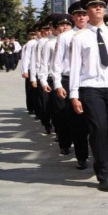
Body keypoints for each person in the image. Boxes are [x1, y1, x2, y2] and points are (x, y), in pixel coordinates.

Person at [69, 0, 108, 192]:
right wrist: (74, 94)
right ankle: (104, 174)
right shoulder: (79, 37)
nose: (98, 9)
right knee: (99, 128)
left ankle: (98, 149)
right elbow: (75, 67)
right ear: (87, 11)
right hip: (90, 88)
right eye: (94, 6)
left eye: (101, 6)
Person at [52, 1, 90, 170]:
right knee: (76, 121)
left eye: (84, 14)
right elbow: (57, 63)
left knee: (95, 119)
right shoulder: (65, 37)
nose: (81, 17)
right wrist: (58, 84)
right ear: (73, 17)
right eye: (78, 15)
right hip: (69, 81)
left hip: (90, 82)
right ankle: (81, 156)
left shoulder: (95, 35)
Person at [42, 14, 74, 154]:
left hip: (78, 79)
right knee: (61, 112)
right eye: (61, 25)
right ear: (56, 28)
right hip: (59, 79)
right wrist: (42, 80)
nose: (65, 27)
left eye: (67, 25)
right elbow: (44, 63)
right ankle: (64, 142)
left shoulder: (78, 38)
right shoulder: (49, 43)